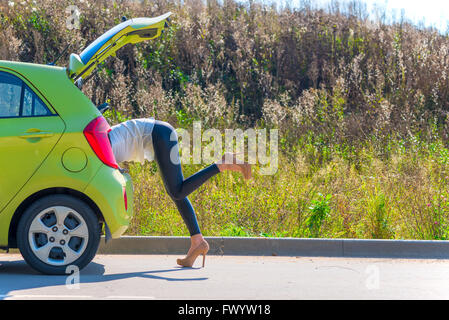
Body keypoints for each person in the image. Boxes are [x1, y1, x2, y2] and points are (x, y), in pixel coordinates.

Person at [108, 118, 251, 267]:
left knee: (177, 191)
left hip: (157, 133)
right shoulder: (100, 143)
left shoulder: (101, 145)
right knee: (176, 191)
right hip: (156, 133)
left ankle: (223, 164)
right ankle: (198, 242)